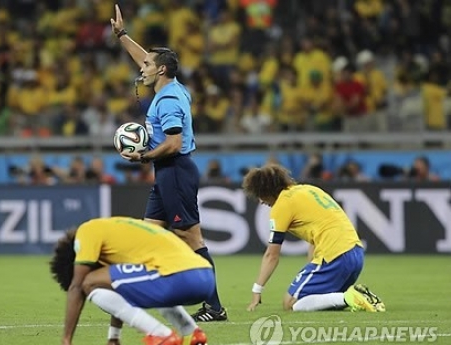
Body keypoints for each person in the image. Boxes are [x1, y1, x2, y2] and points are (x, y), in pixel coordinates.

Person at [110, 4, 227, 322]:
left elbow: (173, 143)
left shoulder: (169, 100)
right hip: (167, 173)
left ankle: (214, 306)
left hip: (176, 170)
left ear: (160, 70)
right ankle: (146, 295)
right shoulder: (172, 88)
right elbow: (144, 59)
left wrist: (142, 156)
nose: (142, 67)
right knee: (150, 234)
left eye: (148, 64)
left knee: (192, 238)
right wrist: (122, 35)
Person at [241, 164, 386, 312]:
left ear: (267, 190)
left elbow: (271, 255)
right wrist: (311, 270)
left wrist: (257, 289)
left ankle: (350, 297)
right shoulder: (309, 189)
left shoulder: (282, 204)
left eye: (260, 194)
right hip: (355, 253)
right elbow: (315, 240)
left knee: (290, 303)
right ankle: (357, 297)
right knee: (320, 301)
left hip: (334, 255)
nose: (260, 201)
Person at [50, 217, 212, 345]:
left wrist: (66, 340)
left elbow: (77, 286)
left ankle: (160, 336)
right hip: (205, 276)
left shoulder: (87, 231)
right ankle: (191, 333)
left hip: (178, 277)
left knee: (89, 282)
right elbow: (122, 290)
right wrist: (114, 336)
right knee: (147, 282)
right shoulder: (121, 232)